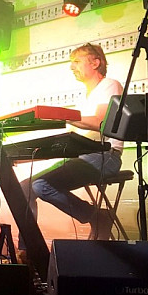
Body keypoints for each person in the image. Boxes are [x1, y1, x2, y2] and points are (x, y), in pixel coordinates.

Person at [20, 43, 124, 249]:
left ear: (95, 63)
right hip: (83, 156)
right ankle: (29, 250)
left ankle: (97, 217)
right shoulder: (83, 97)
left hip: (105, 156)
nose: (71, 67)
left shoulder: (109, 85)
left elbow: (100, 122)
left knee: (41, 186)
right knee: (24, 188)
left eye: (76, 61)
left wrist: (62, 116)